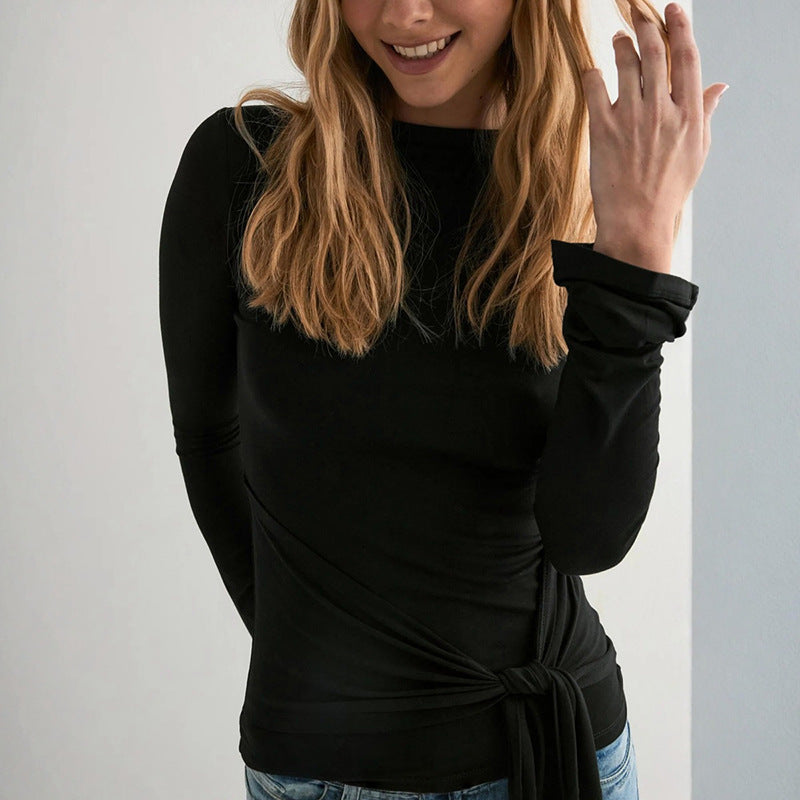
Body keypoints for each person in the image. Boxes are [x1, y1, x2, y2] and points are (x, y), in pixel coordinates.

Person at [159, 1, 725, 799]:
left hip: (556, 755)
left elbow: (588, 537)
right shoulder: (247, 167)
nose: (404, 14)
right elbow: (207, 438)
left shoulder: (589, 182)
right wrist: (312, 658)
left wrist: (638, 251)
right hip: (322, 763)